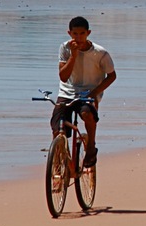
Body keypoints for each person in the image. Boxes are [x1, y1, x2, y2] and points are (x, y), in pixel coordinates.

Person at [50, 16, 117, 168]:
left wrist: (94, 94)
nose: (78, 38)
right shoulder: (65, 48)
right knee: (57, 129)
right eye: (75, 34)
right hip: (67, 93)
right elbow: (63, 76)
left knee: (88, 115)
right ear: (69, 33)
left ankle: (91, 146)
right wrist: (73, 56)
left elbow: (112, 76)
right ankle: (60, 164)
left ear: (88, 33)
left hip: (88, 94)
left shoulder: (100, 53)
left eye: (81, 34)